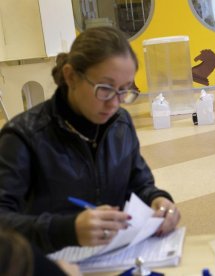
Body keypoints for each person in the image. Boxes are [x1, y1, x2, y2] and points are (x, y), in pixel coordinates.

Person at [0, 26, 180, 253]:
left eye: (124, 90)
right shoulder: (23, 136)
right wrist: (68, 229)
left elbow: (139, 183)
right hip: (48, 261)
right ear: (71, 76)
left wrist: (159, 200)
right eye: (105, 89)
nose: (115, 103)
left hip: (113, 255)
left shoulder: (120, 124)